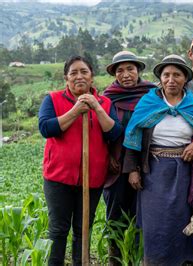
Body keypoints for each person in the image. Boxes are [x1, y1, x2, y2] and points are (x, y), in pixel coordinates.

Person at [122, 54, 193, 265]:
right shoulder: (149, 102)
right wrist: (133, 170)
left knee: (182, 219)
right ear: (160, 78)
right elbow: (133, 135)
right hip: (153, 172)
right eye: (166, 75)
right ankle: (155, 261)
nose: (171, 79)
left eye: (177, 75)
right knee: (156, 222)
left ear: (185, 79)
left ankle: (185, 261)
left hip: (184, 171)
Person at [38, 55, 122, 265]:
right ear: (66, 78)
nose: (79, 76)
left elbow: (114, 134)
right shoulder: (53, 99)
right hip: (58, 178)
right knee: (58, 229)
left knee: (83, 230)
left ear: (92, 77)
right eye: (73, 72)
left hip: (92, 179)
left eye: (84, 71)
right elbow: (46, 128)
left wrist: (97, 107)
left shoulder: (105, 102)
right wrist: (75, 110)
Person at [102, 51, 157, 264]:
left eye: (130, 69)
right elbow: (99, 131)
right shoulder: (107, 98)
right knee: (115, 214)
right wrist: (107, 156)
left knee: (141, 213)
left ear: (139, 71)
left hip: (145, 164)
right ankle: (115, 258)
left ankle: (138, 257)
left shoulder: (152, 94)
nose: (126, 74)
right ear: (114, 74)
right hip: (116, 166)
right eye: (120, 70)